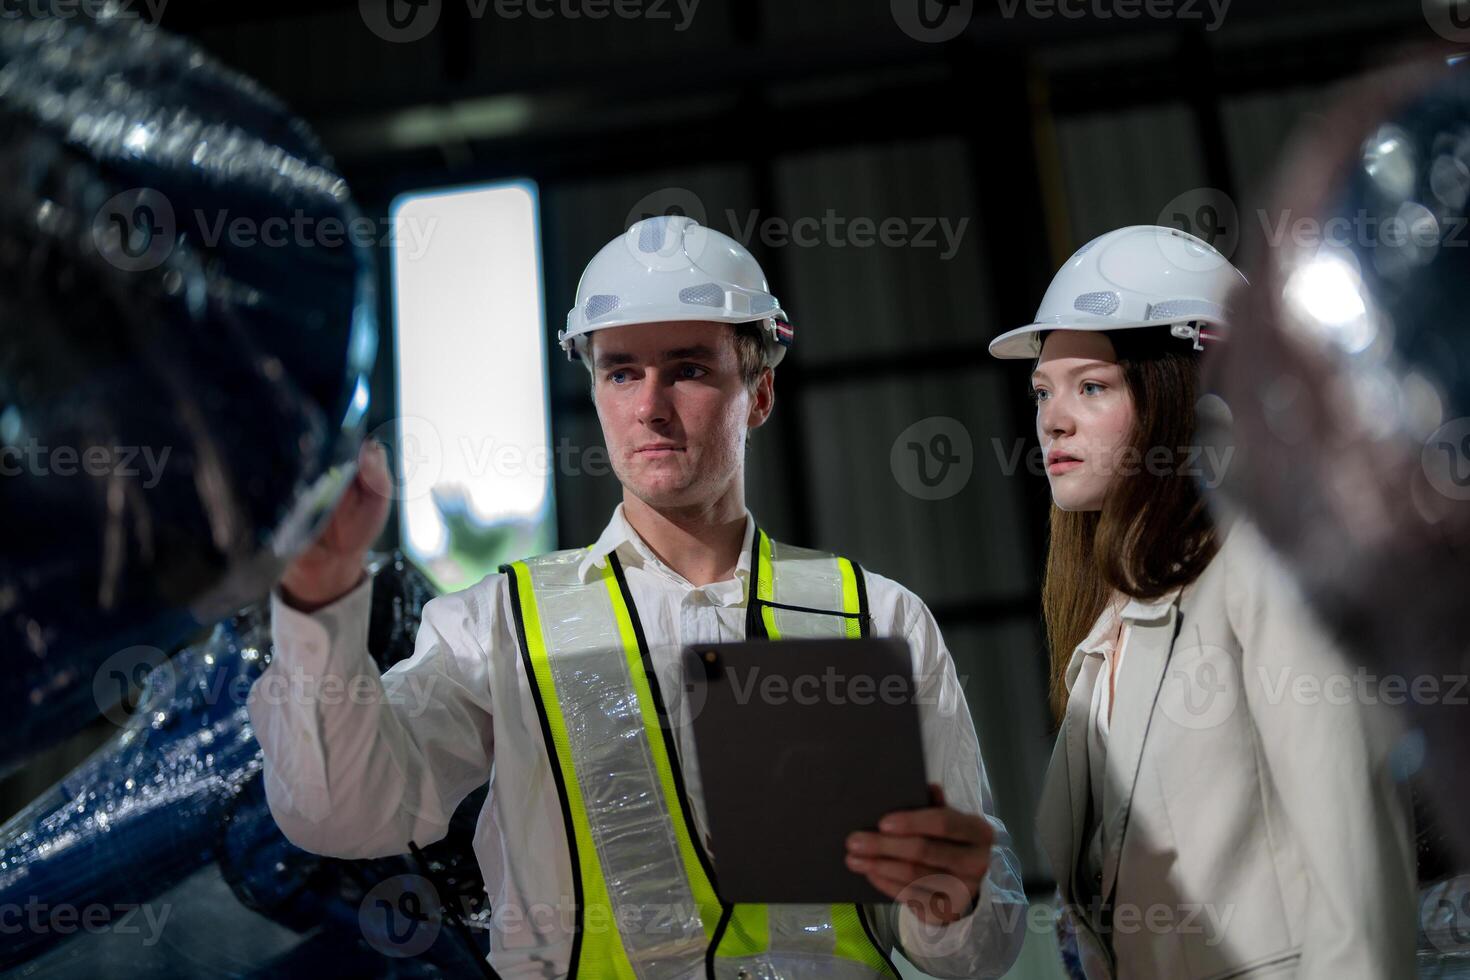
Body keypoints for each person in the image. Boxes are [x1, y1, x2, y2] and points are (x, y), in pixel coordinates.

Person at [248, 215, 1027, 978]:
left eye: (688, 368)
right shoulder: (497, 626)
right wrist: (319, 604)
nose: (649, 406)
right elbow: (340, 813)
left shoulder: (877, 618)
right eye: (621, 371)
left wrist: (951, 901)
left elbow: (980, 946)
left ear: (758, 394)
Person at [988, 225, 1418, 978]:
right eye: (1043, 392)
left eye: (1092, 387)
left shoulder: (1261, 574)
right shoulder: (1108, 635)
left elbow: (1358, 877)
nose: (1051, 420)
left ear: (1179, 392)